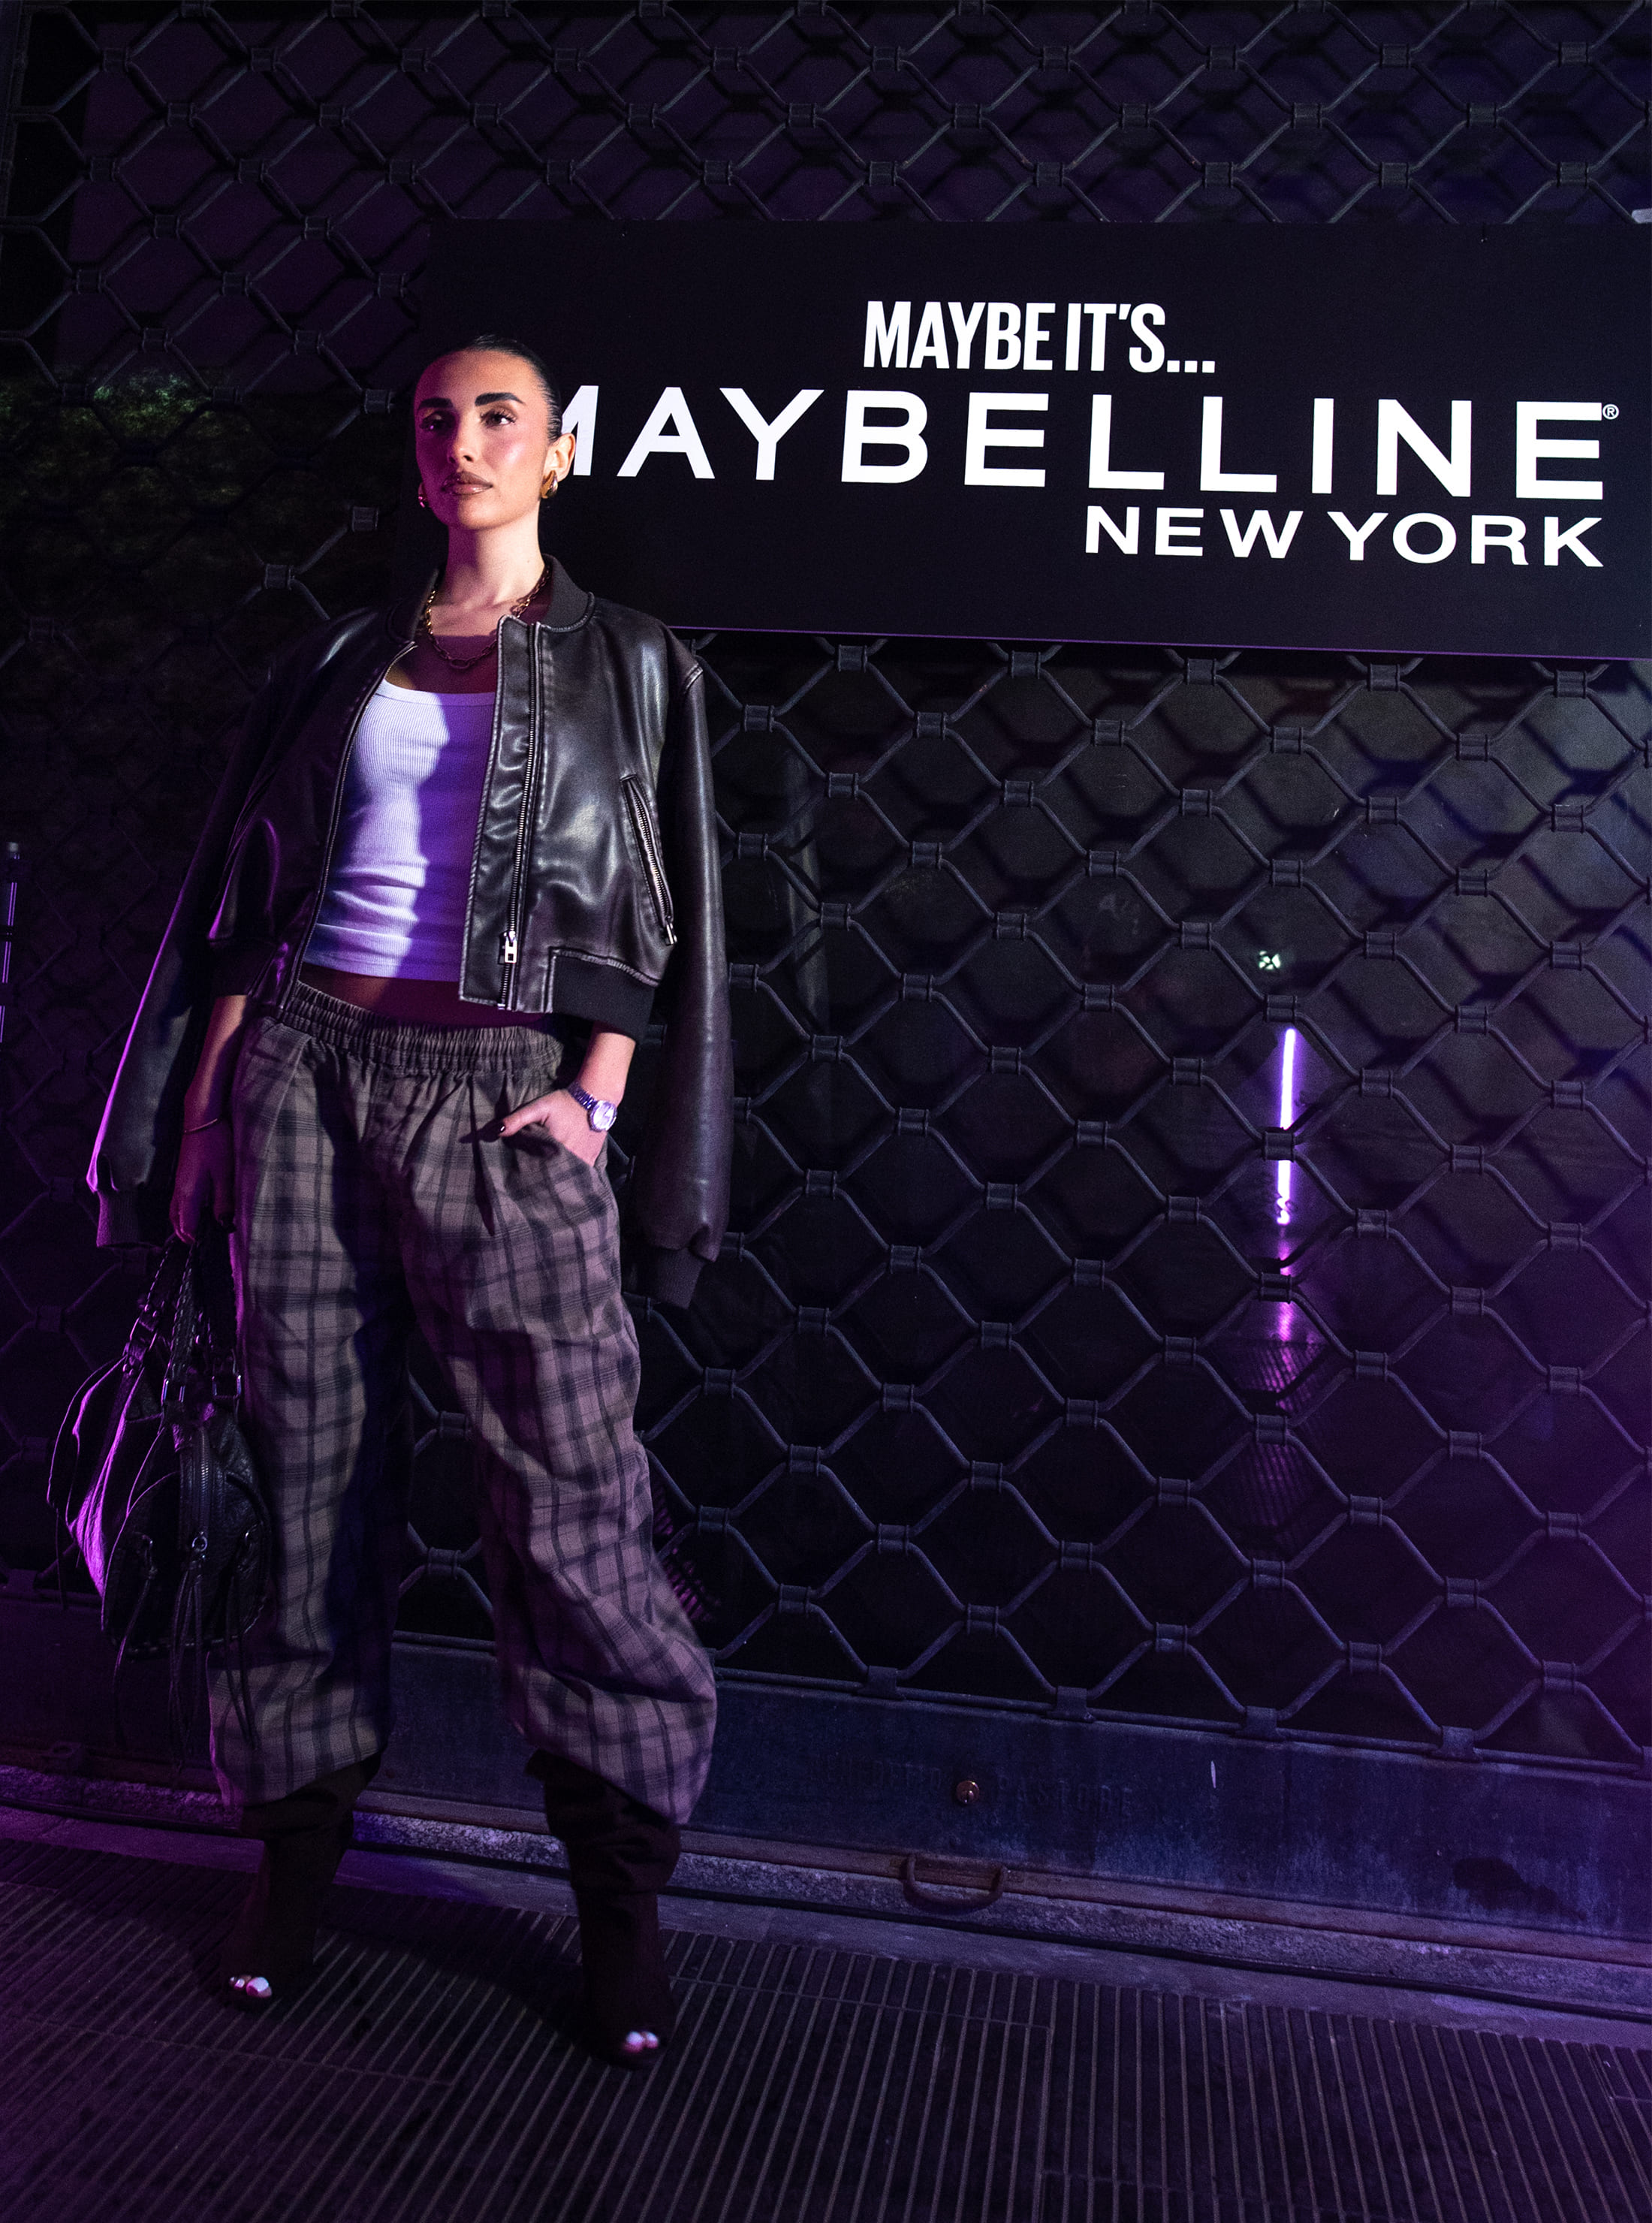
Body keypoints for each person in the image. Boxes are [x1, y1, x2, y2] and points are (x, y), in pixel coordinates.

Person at [88, 336, 731, 2067]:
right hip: (303, 1072)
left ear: (560, 452)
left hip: (500, 1094)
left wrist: (594, 1097)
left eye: (500, 417)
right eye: (439, 419)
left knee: (570, 1497)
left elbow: (649, 902)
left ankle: (617, 1903)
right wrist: (209, 1100)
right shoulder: (341, 655)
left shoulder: (626, 659)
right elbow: (255, 892)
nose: (465, 441)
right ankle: (291, 1862)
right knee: (299, 1477)